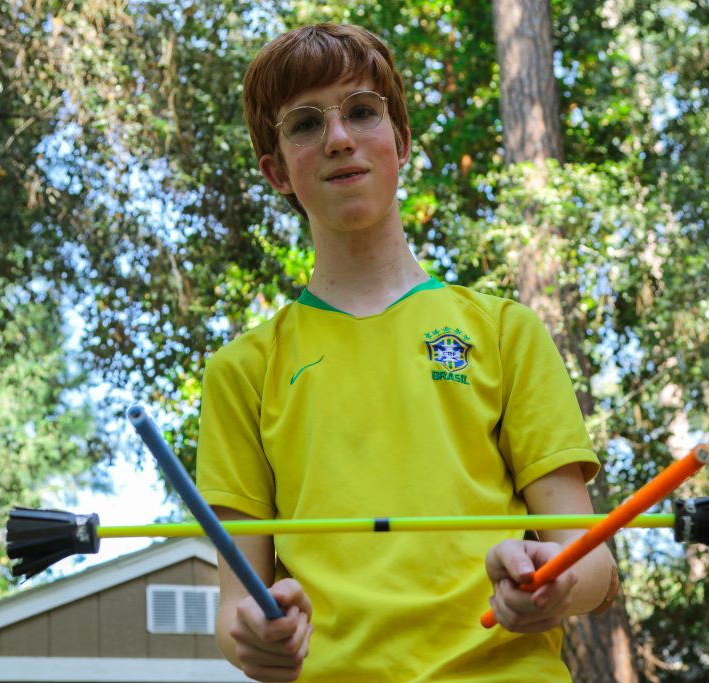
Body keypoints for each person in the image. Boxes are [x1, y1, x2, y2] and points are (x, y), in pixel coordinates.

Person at [195, 23, 617, 683]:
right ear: (276, 170)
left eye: (361, 111)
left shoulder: (506, 331)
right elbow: (234, 608)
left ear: (401, 140)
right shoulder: (242, 373)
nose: (338, 138)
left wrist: (553, 582)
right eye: (305, 124)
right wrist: (254, 632)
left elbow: (592, 563)